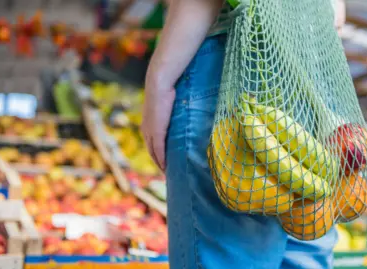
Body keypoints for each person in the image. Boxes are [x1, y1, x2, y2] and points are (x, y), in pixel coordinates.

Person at [141, 0, 346, 268]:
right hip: (313, 75)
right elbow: (337, 15)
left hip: (232, 68)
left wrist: (159, 80)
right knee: (304, 252)